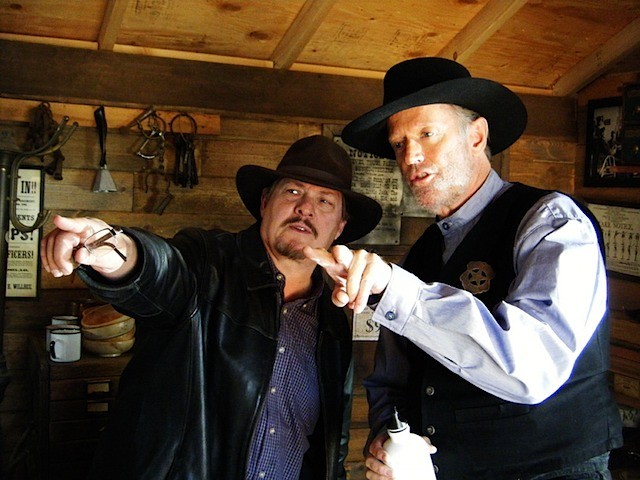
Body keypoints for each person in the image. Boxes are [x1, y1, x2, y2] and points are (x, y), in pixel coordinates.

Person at [303, 58, 624, 480]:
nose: (411, 156)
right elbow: (391, 382)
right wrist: (387, 435)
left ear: (476, 135)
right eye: (399, 144)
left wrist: (394, 289)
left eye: (427, 134)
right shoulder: (421, 256)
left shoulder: (551, 222)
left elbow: (532, 368)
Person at [40, 135, 383, 480]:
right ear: (265, 202)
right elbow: (161, 271)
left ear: (339, 227)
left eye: (324, 201)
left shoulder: (333, 323)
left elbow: (331, 446)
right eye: (293, 191)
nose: (306, 208)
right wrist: (112, 248)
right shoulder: (206, 264)